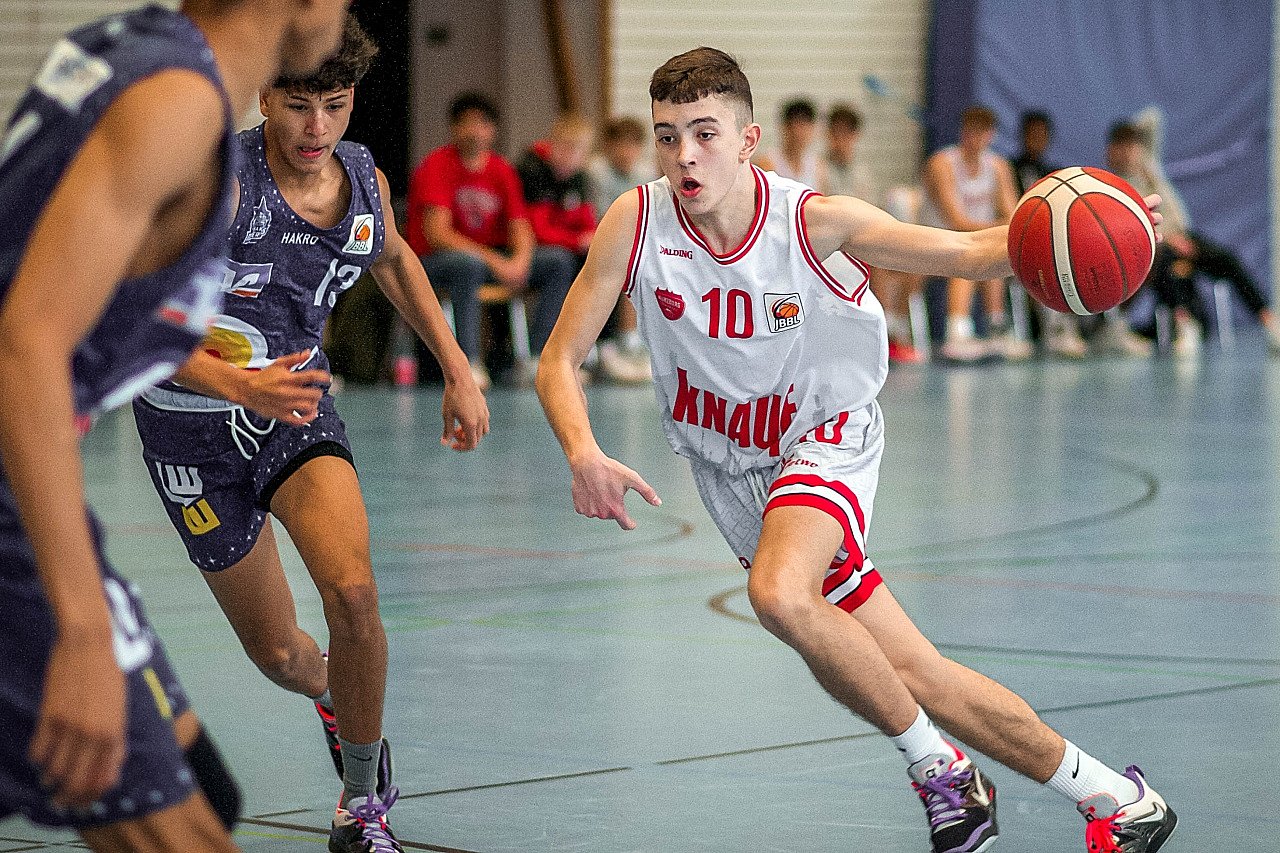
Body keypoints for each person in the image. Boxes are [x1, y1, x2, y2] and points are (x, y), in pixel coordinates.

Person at [536, 47, 1176, 853]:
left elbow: (969, 251)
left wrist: (1107, 221)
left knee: (778, 592)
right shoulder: (635, 222)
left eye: (704, 133)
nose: (684, 155)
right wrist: (582, 450)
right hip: (732, 471)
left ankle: (943, 774)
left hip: (825, 436)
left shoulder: (813, 222)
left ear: (748, 140)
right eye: (668, 137)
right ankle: (1118, 798)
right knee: (915, 673)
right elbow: (558, 359)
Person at [129, 17, 488, 853]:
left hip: (294, 413)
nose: (316, 129)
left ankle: (361, 804)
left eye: (334, 105)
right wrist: (234, 382)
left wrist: (458, 367)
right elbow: (136, 320)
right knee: (282, 653)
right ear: (264, 98)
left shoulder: (362, 177)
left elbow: (393, 258)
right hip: (189, 436)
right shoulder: (218, 185)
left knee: (355, 595)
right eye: (298, 107)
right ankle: (331, 695)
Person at [0, 2, 350, 850]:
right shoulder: (175, 104)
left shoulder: (125, 50)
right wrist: (82, 628)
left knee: (206, 793)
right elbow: (25, 343)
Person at [407, 92, 575, 389]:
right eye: (466, 124)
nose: (474, 131)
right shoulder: (436, 165)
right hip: (438, 262)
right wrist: (496, 260)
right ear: (454, 128)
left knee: (558, 261)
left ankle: (537, 359)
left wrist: (520, 261)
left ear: (493, 130)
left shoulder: (502, 170)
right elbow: (438, 234)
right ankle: (467, 363)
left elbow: (520, 225)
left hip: (488, 258)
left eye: (482, 124)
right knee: (466, 264)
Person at [1108, 114, 1280, 356]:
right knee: (1167, 266)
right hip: (1157, 245)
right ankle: (1185, 324)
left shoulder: (1150, 170)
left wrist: (1135, 137)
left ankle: (1269, 321)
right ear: (1110, 151)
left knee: (1226, 259)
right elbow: (1133, 230)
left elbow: (1154, 119)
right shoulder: (1111, 187)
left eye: (1132, 145)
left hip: (1184, 237)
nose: (1128, 152)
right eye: (1121, 146)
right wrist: (1170, 239)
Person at [920, 105, 1029, 362]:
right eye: (971, 132)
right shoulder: (942, 163)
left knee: (992, 255)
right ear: (962, 132)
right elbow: (956, 221)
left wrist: (995, 229)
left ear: (991, 135)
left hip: (972, 240)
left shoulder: (998, 166)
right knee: (969, 257)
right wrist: (995, 227)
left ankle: (995, 328)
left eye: (982, 133)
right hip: (933, 241)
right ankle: (957, 332)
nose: (976, 138)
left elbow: (1014, 216)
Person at [825, 104, 922, 363]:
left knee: (913, 266)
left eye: (847, 134)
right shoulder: (820, 168)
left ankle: (897, 326)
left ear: (855, 136)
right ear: (829, 135)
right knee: (874, 262)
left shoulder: (863, 173)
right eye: (837, 133)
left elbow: (874, 212)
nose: (841, 140)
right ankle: (886, 332)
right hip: (835, 247)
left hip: (861, 239)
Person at [515, 113, 599, 383]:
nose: (569, 157)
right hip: (525, 253)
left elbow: (587, 222)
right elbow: (536, 230)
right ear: (552, 145)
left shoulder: (579, 178)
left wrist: (593, 240)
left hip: (562, 251)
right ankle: (541, 353)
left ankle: (587, 352)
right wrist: (576, 241)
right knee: (560, 261)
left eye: (577, 152)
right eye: (564, 148)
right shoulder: (531, 170)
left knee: (601, 261)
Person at [1010, 110, 1090, 359]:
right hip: (1019, 239)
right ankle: (1053, 326)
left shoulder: (1057, 174)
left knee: (1075, 253)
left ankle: (1088, 324)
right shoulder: (1008, 169)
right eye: (1031, 133)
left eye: (1041, 134)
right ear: (1022, 135)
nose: (1036, 138)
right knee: (1042, 259)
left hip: (1051, 239)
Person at [588, 116, 655, 383]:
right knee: (631, 263)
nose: (628, 153)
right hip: (598, 241)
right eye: (622, 146)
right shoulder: (596, 173)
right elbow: (598, 217)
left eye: (634, 146)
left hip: (631, 242)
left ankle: (638, 341)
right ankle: (624, 342)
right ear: (609, 147)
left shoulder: (645, 173)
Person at [756, 98, 826, 190]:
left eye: (805, 126)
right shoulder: (767, 164)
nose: (800, 132)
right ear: (785, 127)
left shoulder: (818, 168)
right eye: (796, 125)